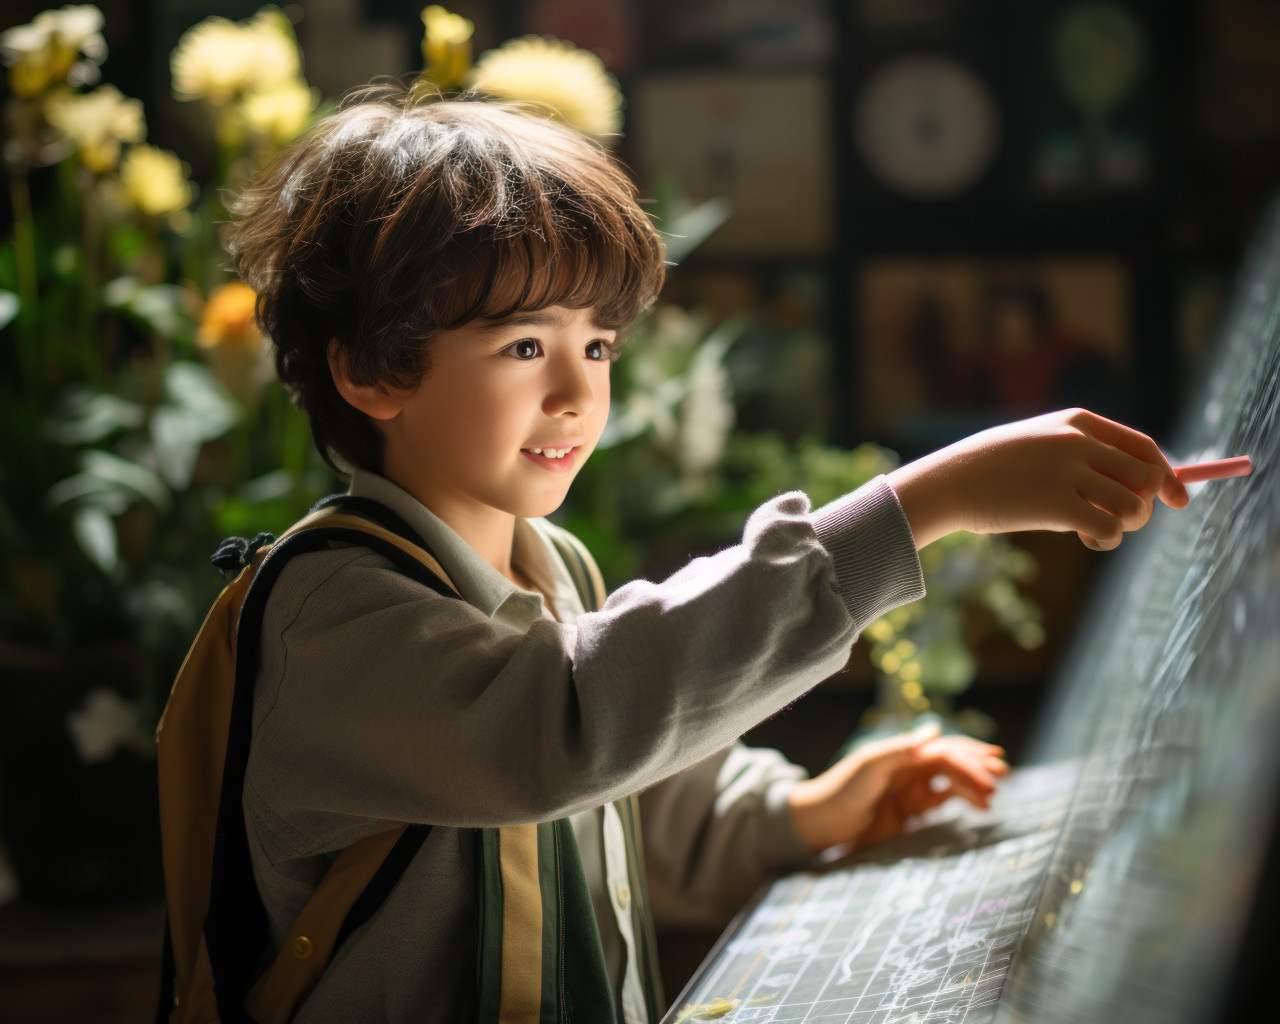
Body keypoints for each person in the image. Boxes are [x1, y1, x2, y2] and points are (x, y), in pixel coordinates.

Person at [222, 84, 1189, 1023]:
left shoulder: (552, 568)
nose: (576, 392)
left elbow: (639, 802)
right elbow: (567, 728)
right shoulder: (334, 615)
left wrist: (806, 809)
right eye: (524, 346)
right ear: (370, 368)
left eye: (597, 345)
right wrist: (922, 504)